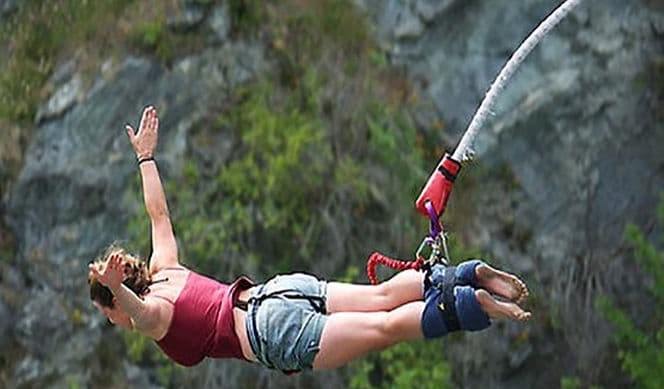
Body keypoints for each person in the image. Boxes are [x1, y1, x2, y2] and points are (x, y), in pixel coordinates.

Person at [88, 106, 532, 373]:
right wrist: (146, 158)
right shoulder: (166, 268)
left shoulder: (154, 318)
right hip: (279, 290)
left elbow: (140, 312)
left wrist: (115, 288)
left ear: (116, 303)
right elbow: (159, 215)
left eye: (108, 313)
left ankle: (472, 306)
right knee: (381, 299)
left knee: (386, 327)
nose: (114, 321)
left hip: (271, 333)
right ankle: (466, 275)